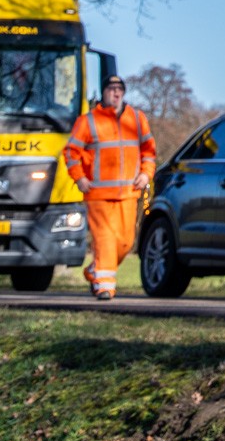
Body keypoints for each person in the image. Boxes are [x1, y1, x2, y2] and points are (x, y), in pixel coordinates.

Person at [63, 75, 157, 300]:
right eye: (111, 89)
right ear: (103, 92)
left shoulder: (136, 118)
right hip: (97, 194)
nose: (116, 93)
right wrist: (79, 178)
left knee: (125, 243)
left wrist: (146, 174)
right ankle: (105, 287)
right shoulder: (88, 121)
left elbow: (149, 150)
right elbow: (71, 153)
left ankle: (95, 271)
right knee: (105, 239)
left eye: (120, 89)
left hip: (128, 193)